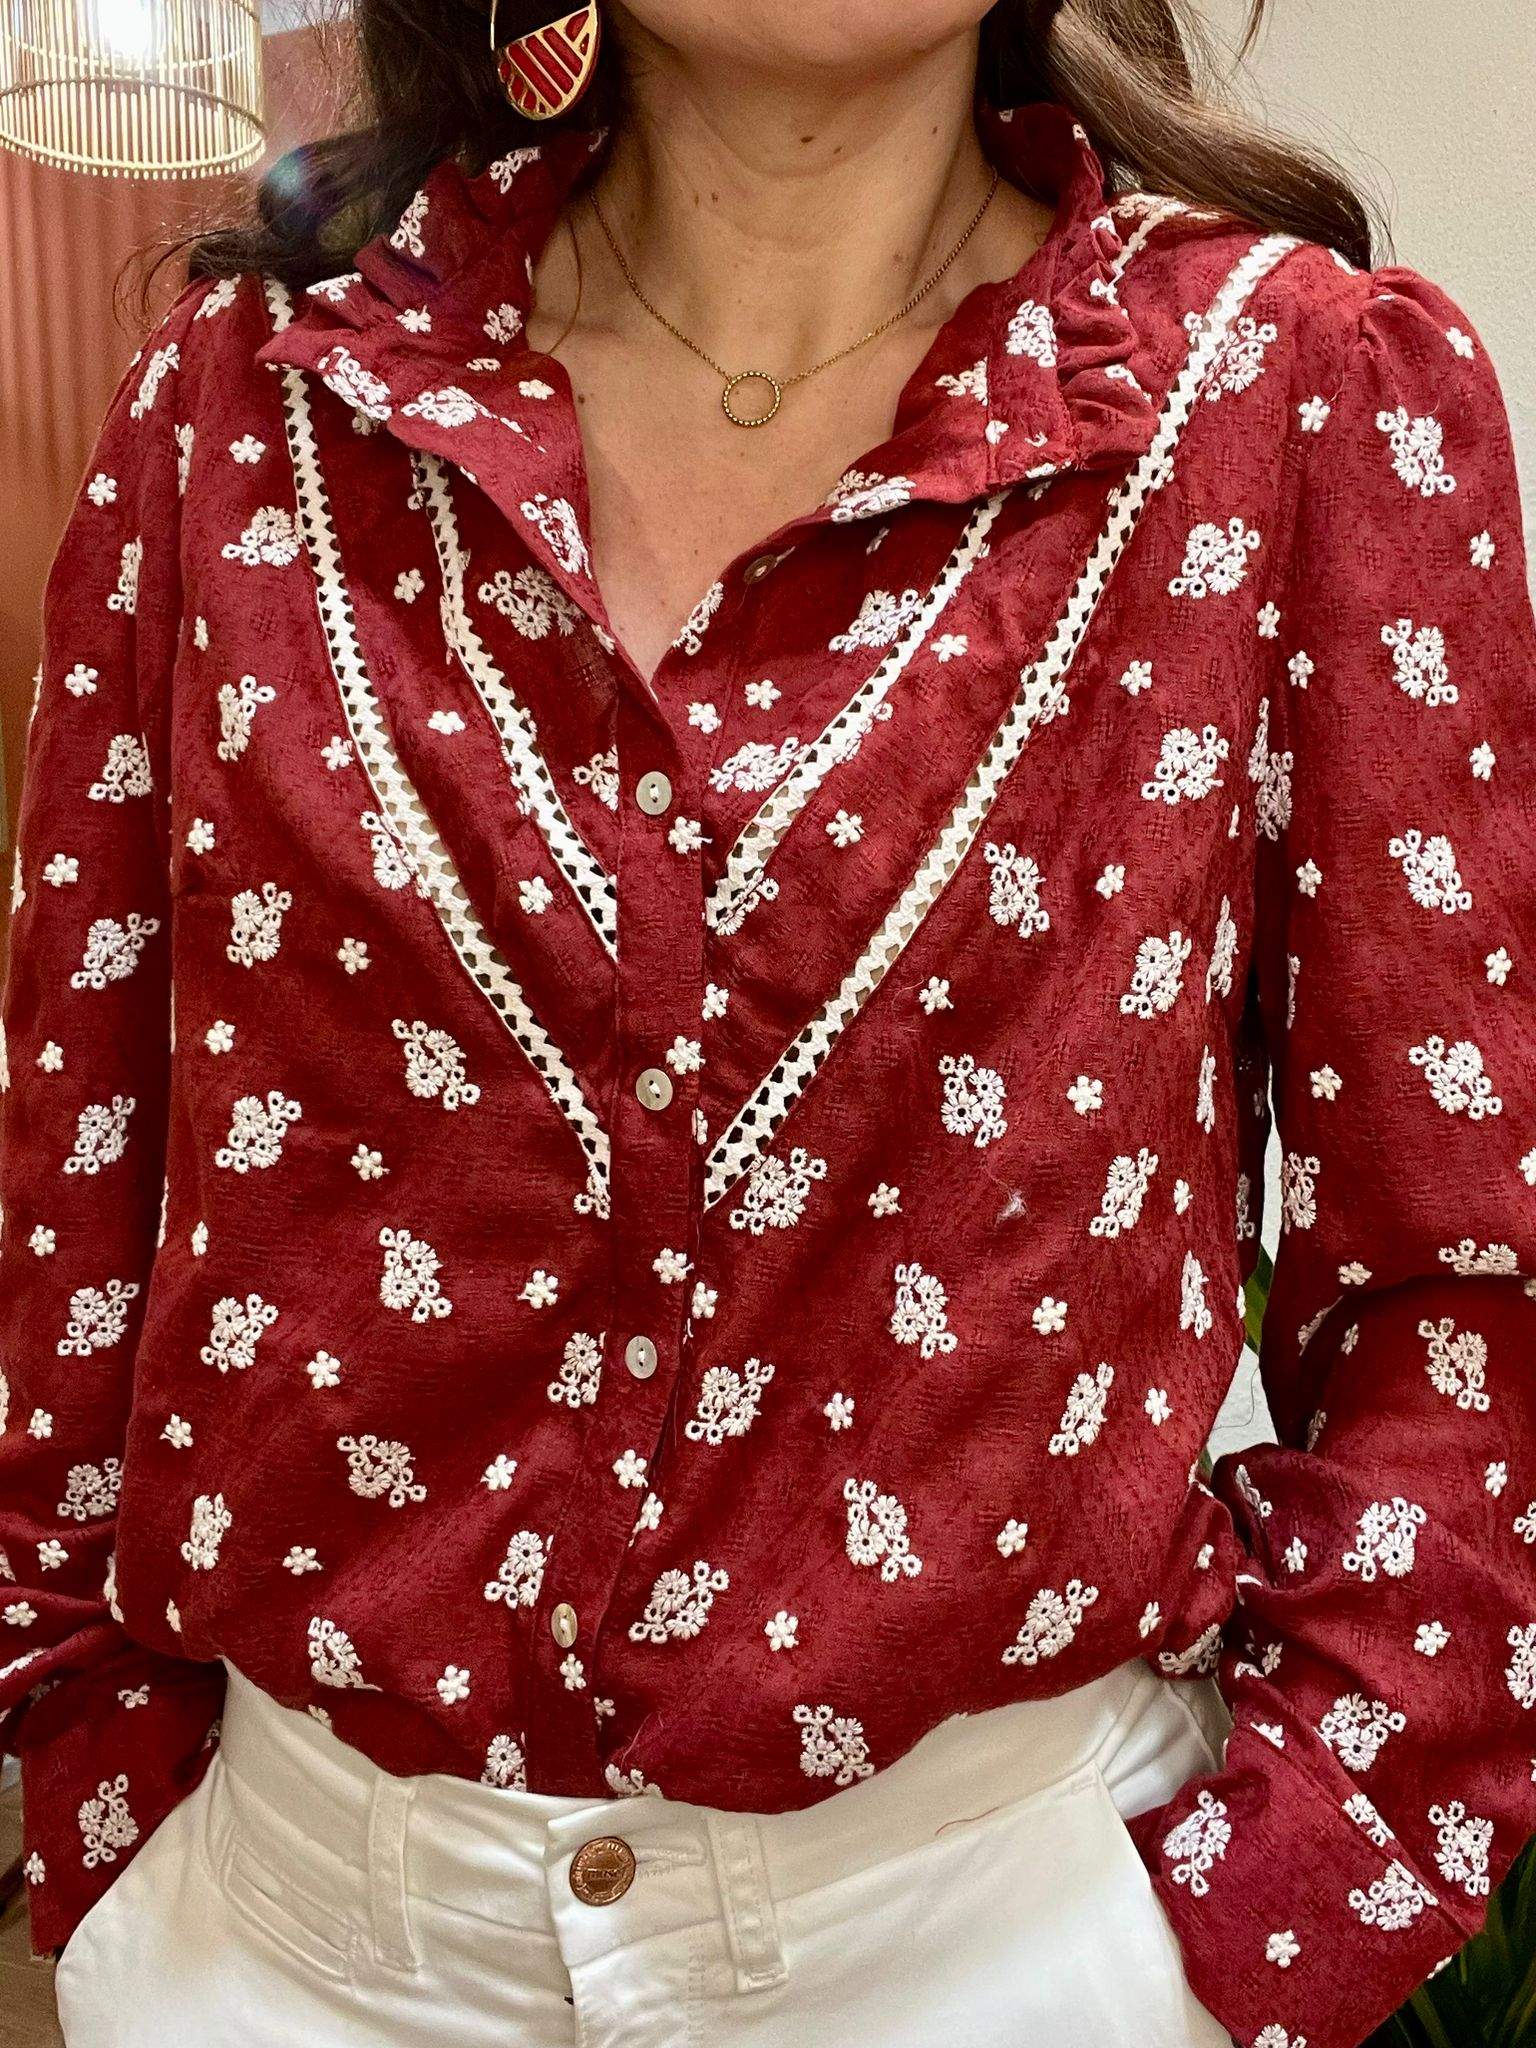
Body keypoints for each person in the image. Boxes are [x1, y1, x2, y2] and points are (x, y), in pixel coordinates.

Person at [3, 1, 1533, 2042]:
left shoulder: (1294, 396)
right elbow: (76, 1187)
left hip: (1009, 1957)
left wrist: (1250, 1926)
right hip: (267, 1953)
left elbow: (1459, 1272)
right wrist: (111, 1837)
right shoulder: (245, 405)